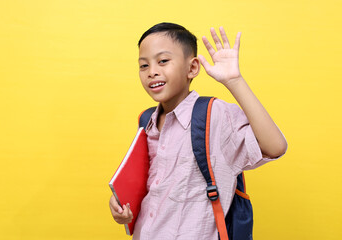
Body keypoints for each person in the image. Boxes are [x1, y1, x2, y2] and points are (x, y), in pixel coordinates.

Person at [109, 22, 287, 240]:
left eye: (163, 61)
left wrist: (234, 81)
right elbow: (150, 189)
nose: (152, 72)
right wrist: (122, 206)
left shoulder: (214, 115)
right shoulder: (147, 121)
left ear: (192, 68)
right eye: (143, 65)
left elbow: (275, 146)